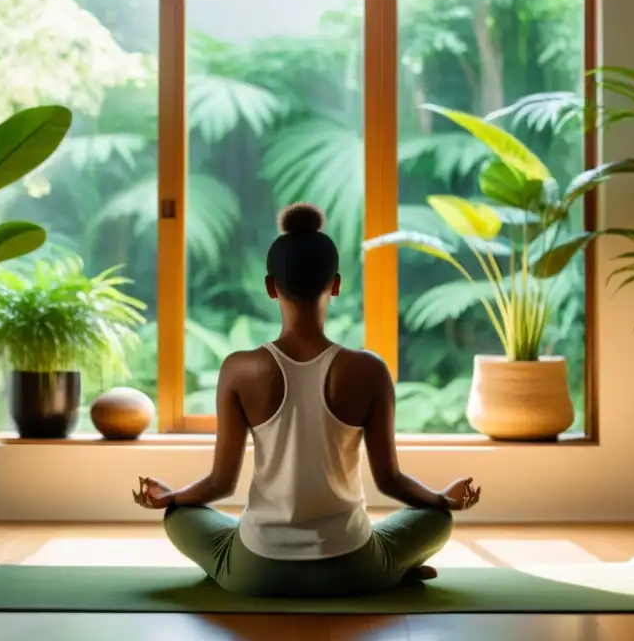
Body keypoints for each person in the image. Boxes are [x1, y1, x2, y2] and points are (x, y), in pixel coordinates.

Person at [133, 202, 481, 598]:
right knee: (437, 520)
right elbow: (390, 480)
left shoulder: (239, 369)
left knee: (179, 516)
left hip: (257, 572)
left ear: (270, 287)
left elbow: (220, 483)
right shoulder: (369, 370)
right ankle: (392, 568)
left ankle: (231, 568)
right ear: (335, 284)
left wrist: (172, 497)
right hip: (353, 567)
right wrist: (441, 499)